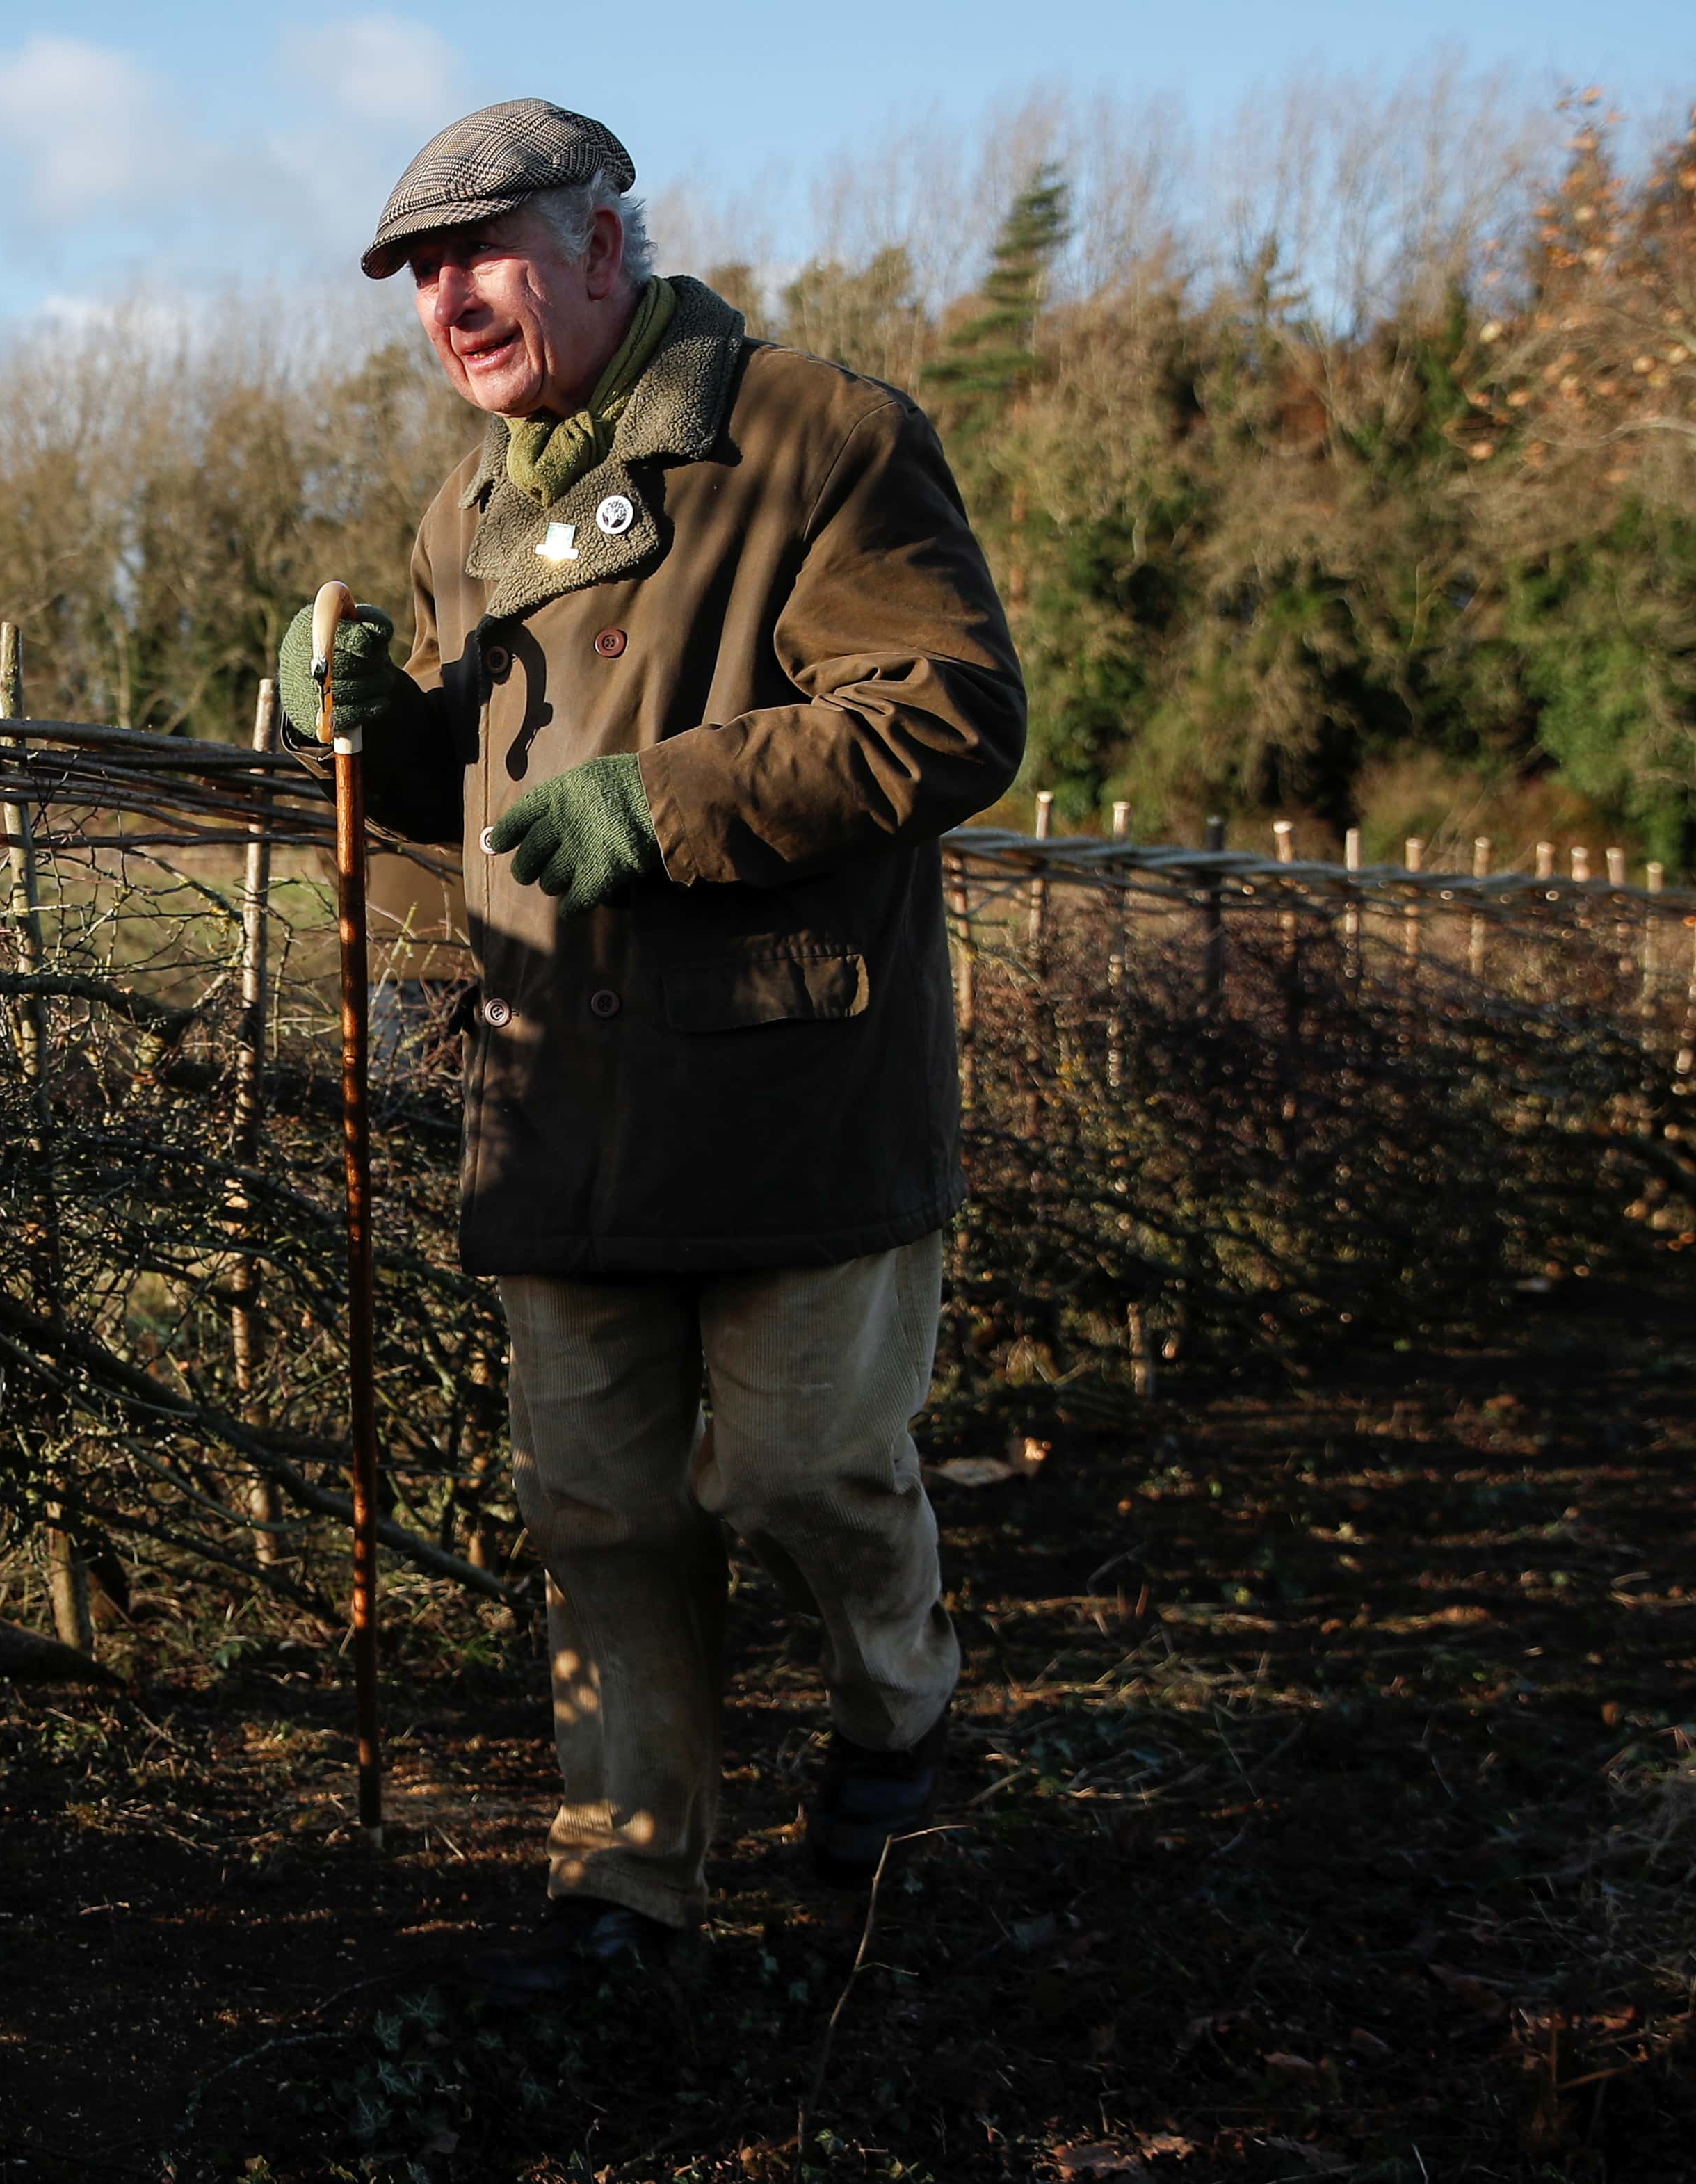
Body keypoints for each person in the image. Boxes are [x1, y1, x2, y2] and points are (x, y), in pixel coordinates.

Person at [277, 98, 1026, 1996]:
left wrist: (667, 801)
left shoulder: (816, 440)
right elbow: (489, 813)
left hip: (789, 1081)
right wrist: (369, 736)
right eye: (419, 273)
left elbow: (947, 714)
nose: (451, 298)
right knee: (598, 1515)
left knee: (798, 1475)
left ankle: (899, 1715)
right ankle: (624, 1893)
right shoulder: (468, 512)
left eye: (483, 249)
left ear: (606, 242)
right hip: (560, 1097)